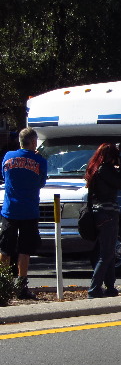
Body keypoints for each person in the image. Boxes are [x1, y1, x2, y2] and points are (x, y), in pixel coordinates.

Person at [0, 128, 47, 299]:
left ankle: (2, 284)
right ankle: (21, 287)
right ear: (33, 142)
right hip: (29, 211)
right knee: (24, 251)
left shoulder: (8, 156)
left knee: (5, 249)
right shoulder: (40, 161)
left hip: (10, 210)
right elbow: (41, 182)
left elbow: (4, 176)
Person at [84, 143, 121, 298]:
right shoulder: (105, 170)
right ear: (111, 156)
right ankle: (94, 288)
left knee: (108, 251)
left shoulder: (95, 169)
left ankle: (110, 287)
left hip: (98, 213)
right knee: (106, 254)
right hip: (108, 213)